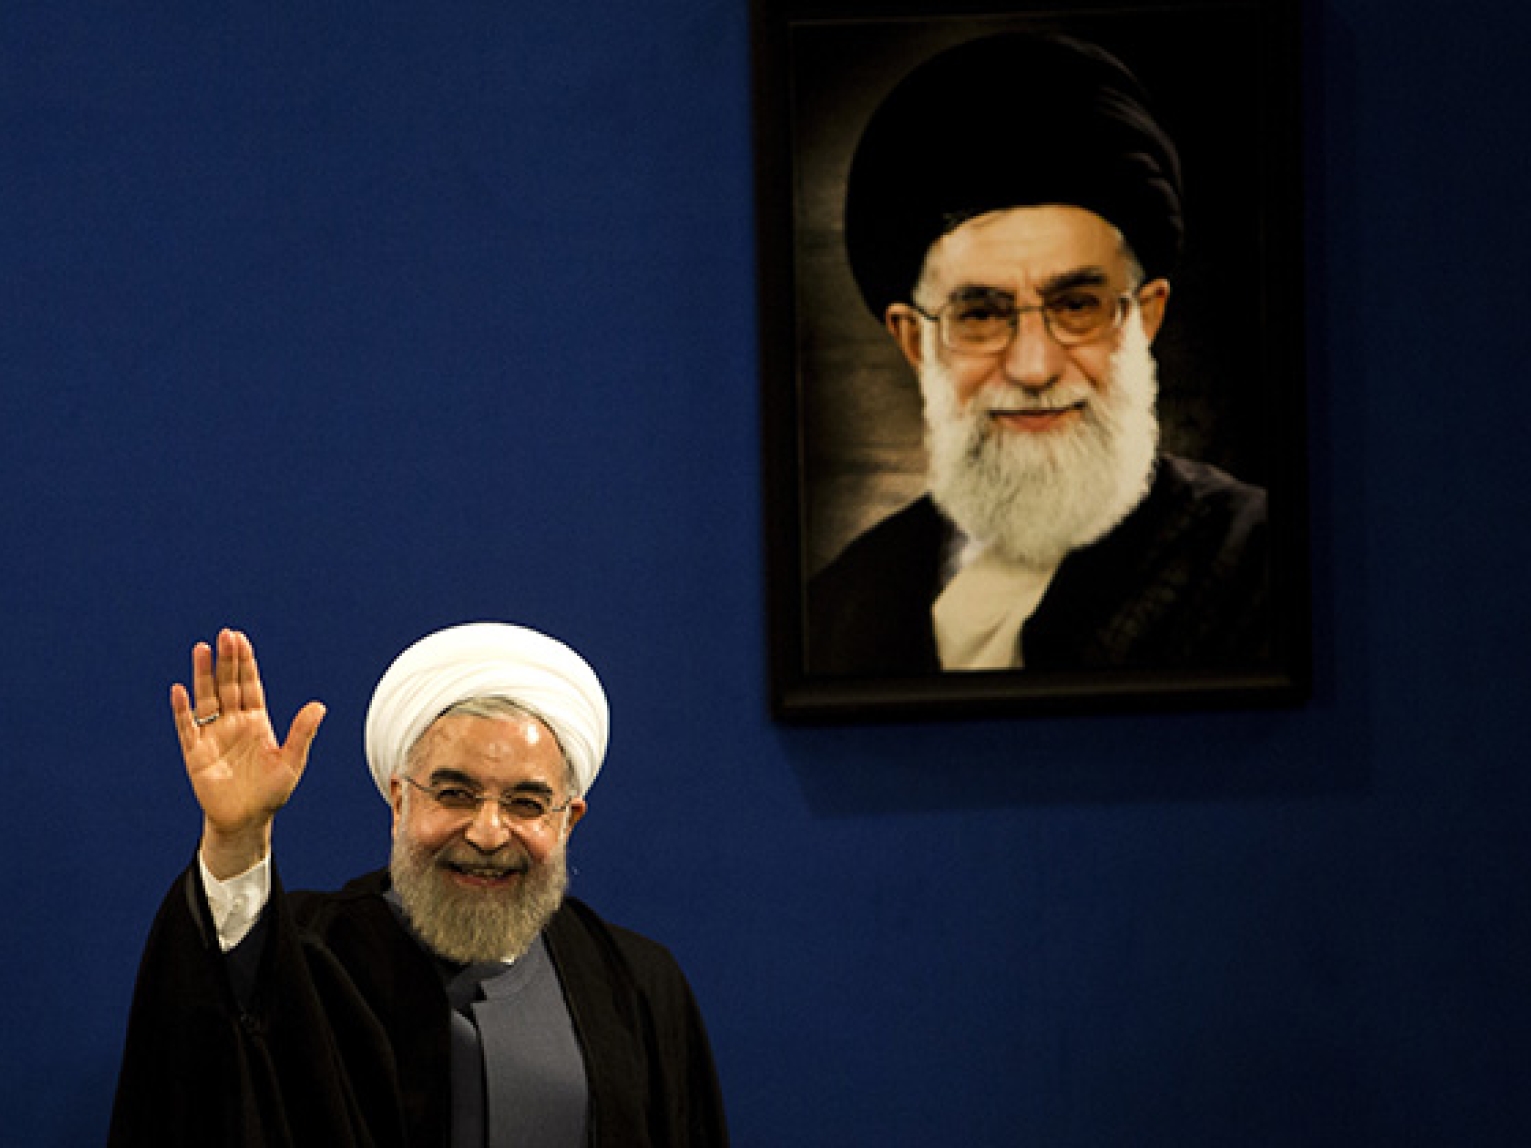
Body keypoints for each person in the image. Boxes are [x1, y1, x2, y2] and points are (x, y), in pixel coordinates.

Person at [109, 623, 728, 1147]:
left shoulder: (638, 985)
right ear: (398, 799)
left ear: (568, 820)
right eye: (454, 794)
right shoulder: (309, 954)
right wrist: (237, 839)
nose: (489, 833)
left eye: (526, 802)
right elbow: (207, 1050)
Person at [807, 32, 1270, 675]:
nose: (1033, 367)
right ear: (915, 340)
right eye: (981, 315)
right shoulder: (842, 604)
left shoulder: (1257, 561)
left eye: (1078, 306)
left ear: (1147, 314)